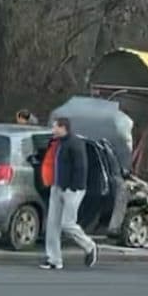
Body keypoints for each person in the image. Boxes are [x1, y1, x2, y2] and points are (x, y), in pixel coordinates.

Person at [41, 116, 98, 271]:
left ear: (63, 128)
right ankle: (54, 259)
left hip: (72, 189)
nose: (53, 130)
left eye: (55, 127)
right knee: (52, 225)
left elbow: (81, 167)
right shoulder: (57, 143)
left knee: (67, 223)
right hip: (56, 186)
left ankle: (89, 246)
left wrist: (73, 187)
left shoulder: (75, 143)